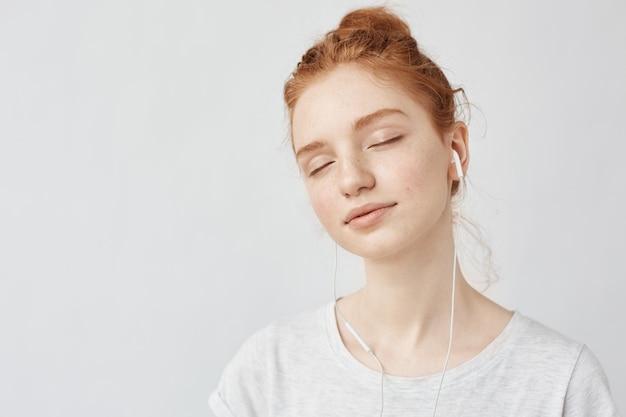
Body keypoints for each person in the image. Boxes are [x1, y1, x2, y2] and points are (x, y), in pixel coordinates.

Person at [209, 6, 619, 416]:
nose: (351, 180)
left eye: (383, 140)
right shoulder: (267, 373)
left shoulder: (559, 381)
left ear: (455, 149)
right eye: (320, 165)